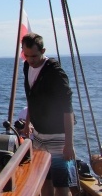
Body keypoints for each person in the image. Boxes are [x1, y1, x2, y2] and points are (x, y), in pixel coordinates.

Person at [20, 33, 77, 196]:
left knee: (61, 183)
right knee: (45, 178)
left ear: (43, 50)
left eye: (35, 56)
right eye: (27, 55)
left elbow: (68, 110)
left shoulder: (56, 73)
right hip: (38, 134)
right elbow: (32, 97)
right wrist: (27, 123)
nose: (31, 60)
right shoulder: (26, 66)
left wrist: (68, 144)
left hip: (58, 136)